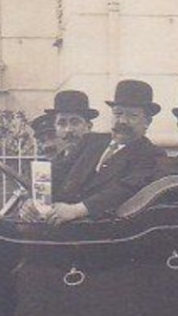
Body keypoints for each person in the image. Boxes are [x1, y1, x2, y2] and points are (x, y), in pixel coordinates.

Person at [27, 80, 165, 223]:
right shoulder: (91, 141)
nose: (122, 121)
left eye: (132, 116)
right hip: (58, 221)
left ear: (147, 121)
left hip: (99, 230)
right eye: (118, 113)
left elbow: (126, 189)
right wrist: (33, 200)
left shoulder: (151, 154)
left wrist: (76, 210)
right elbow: (57, 170)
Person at [44, 89, 105, 183]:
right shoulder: (54, 164)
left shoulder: (99, 160)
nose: (68, 130)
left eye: (75, 123)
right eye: (62, 123)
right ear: (55, 128)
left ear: (88, 126)